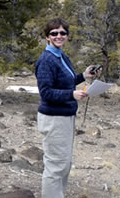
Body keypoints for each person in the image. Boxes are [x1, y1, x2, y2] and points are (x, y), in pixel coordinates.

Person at [35, 18, 97, 198]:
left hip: (66, 116)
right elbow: (46, 92)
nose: (59, 36)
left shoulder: (61, 56)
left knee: (64, 164)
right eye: (54, 33)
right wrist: (71, 94)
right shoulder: (46, 60)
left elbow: (66, 82)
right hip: (54, 118)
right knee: (55, 165)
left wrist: (83, 76)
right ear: (47, 36)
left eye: (63, 33)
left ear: (67, 36)